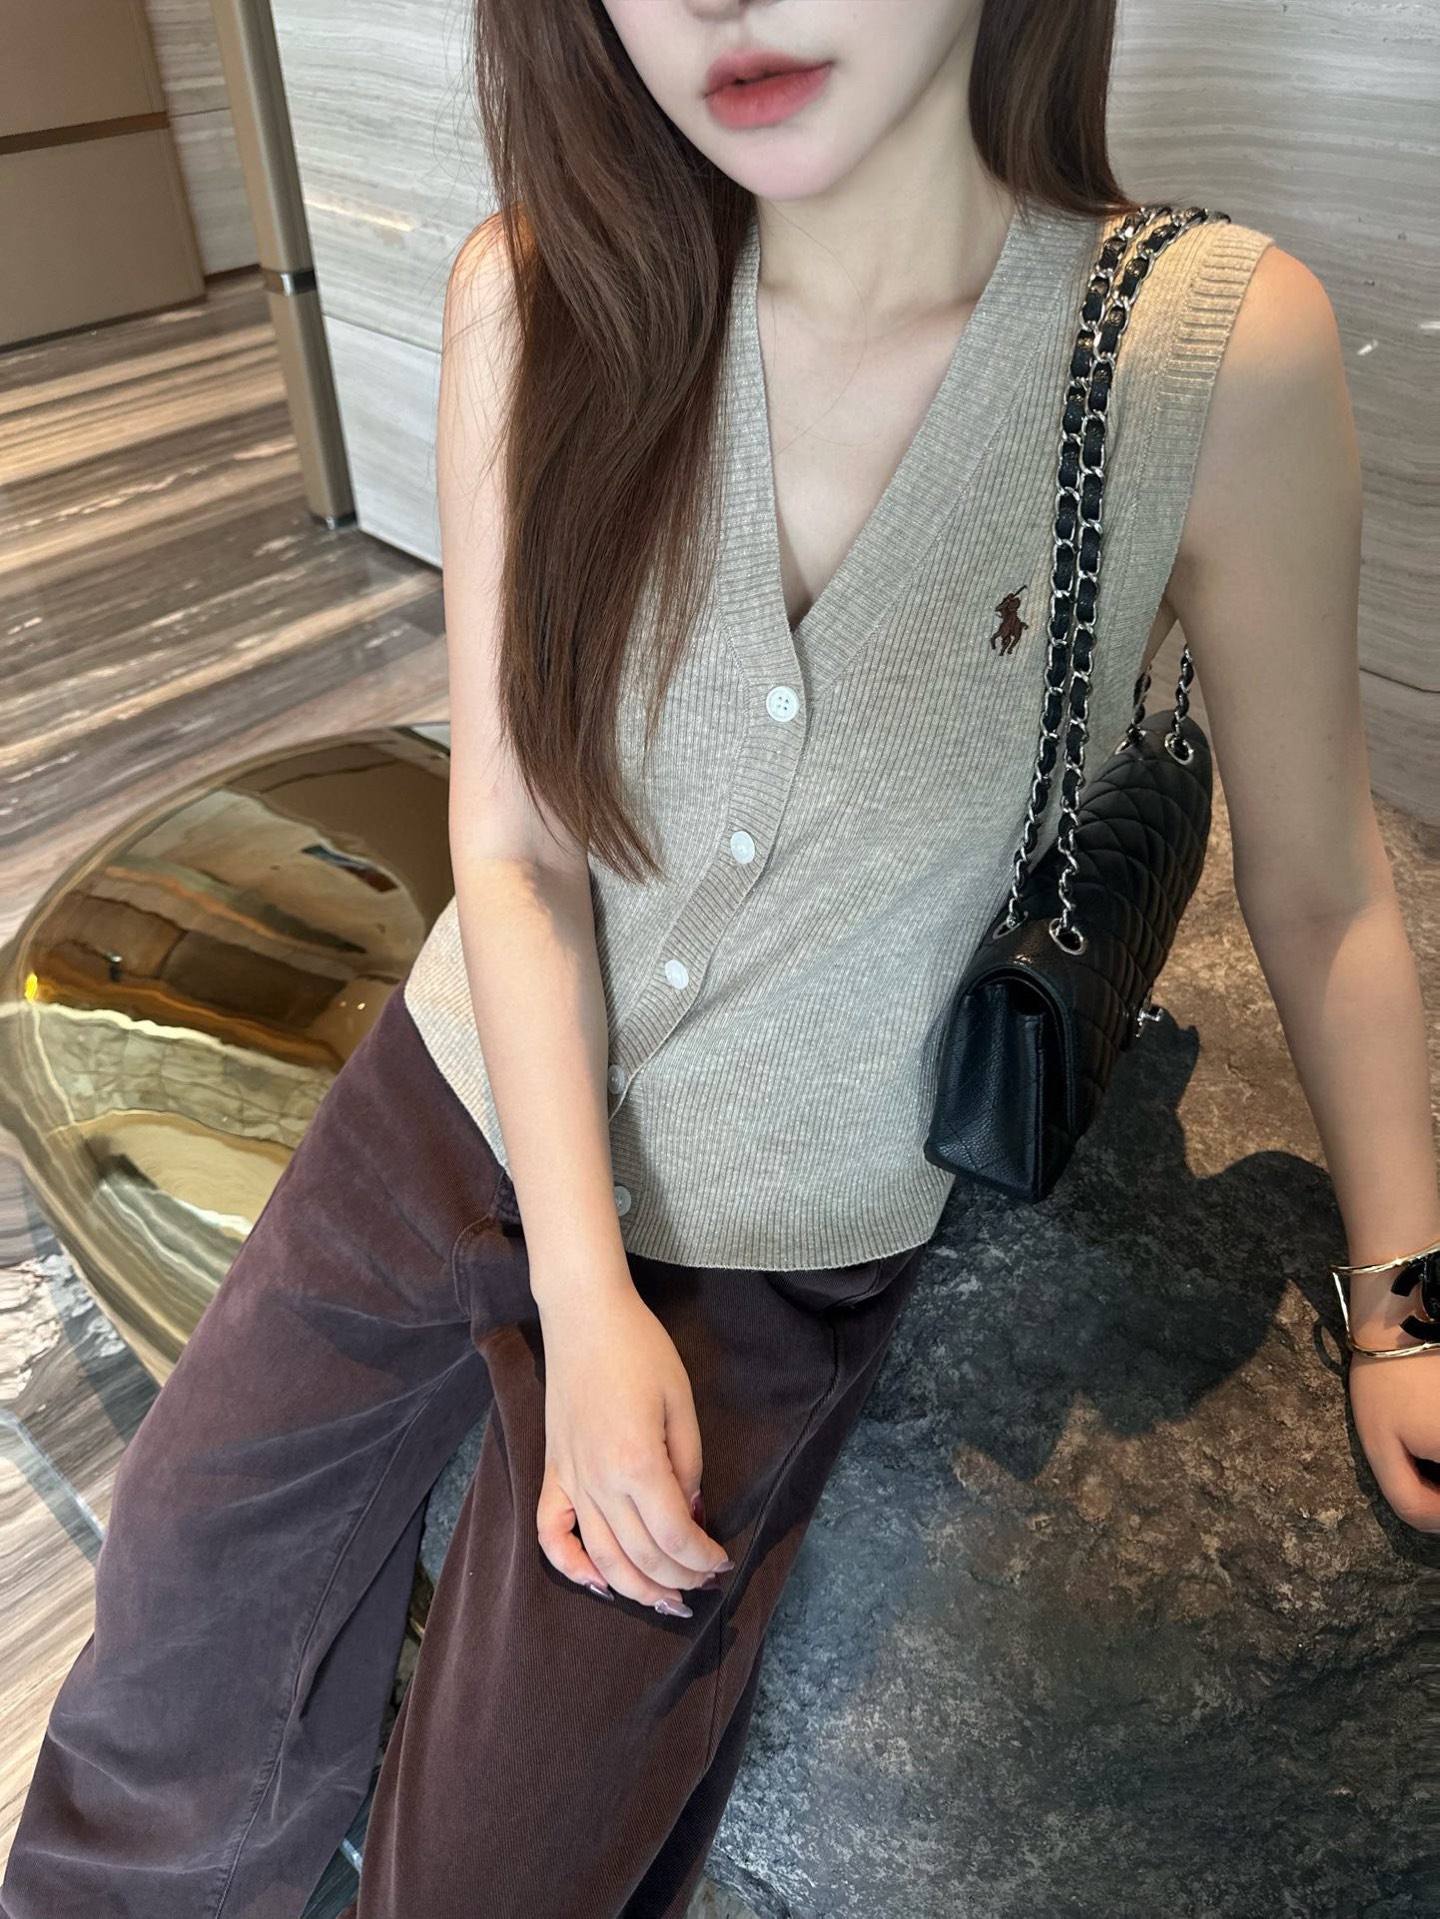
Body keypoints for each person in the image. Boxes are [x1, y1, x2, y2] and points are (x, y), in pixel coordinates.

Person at [5, 1, 1438, 1915]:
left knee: (506, 1857)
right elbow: (512, 847)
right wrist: (581, 1297)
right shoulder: (542, 296)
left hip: (772, 1241)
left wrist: (1405, 1299)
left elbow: (1324, 886)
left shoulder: (1202, 352)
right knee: (176, 1627)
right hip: (448, 1103)